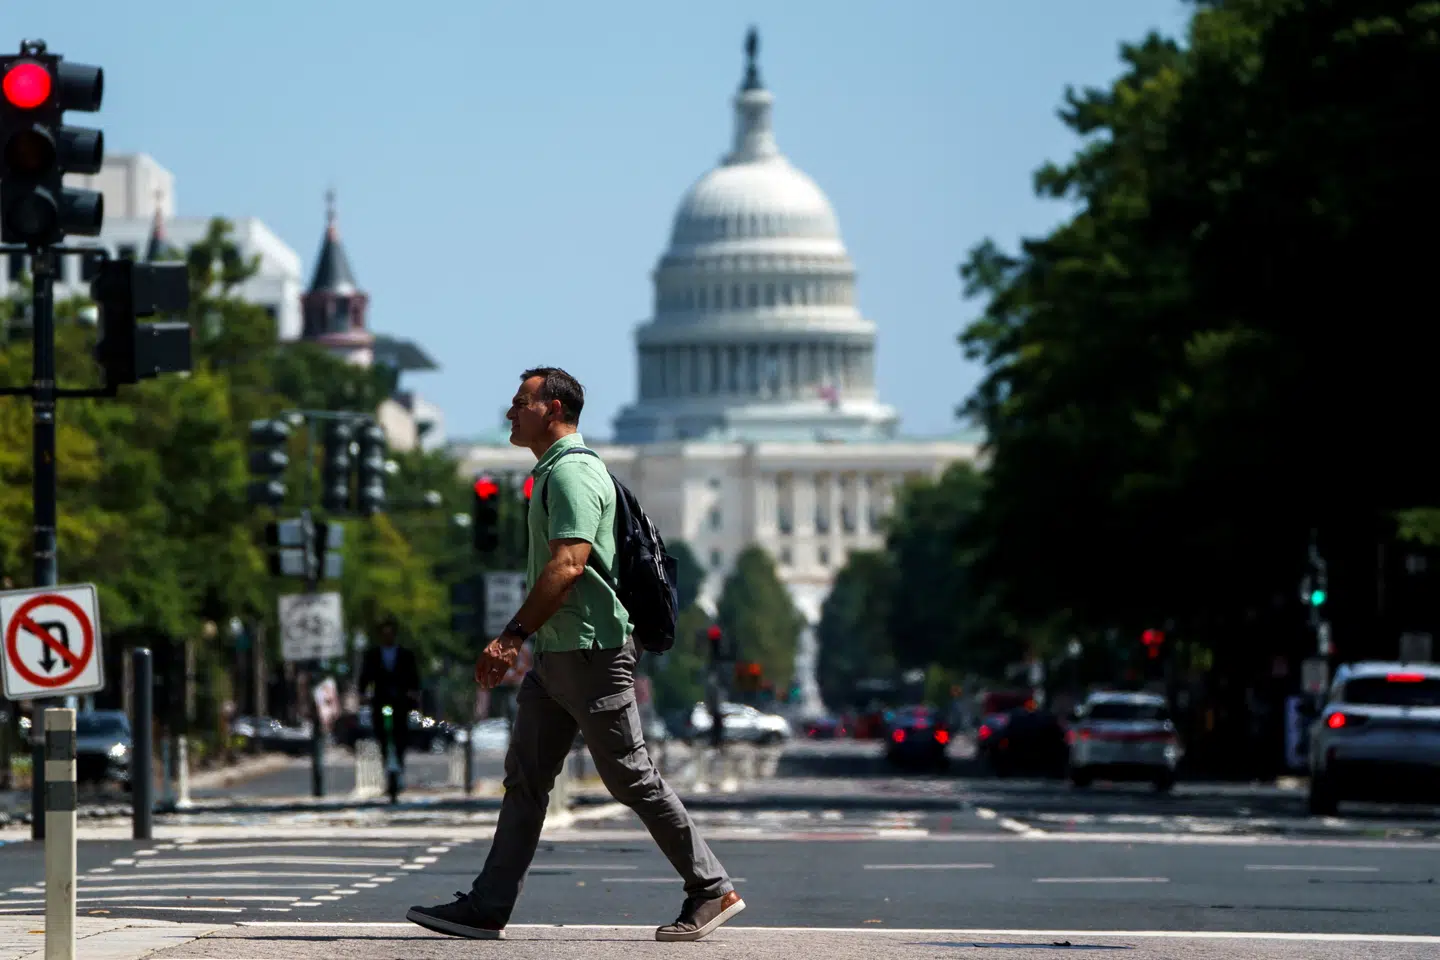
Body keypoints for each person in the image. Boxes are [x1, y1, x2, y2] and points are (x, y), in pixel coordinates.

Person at [408, 367, 744, 943]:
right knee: (526, 780)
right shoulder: (551, 474)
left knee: (632, 778)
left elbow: (568, 564)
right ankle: (488, 906)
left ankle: (711, 887)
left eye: (521, 403)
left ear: (554, 409)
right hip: (559, 656)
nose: (510, 413)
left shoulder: (572, 474)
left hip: (591, 653)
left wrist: (510, 635)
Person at [357, 616, 421, 778]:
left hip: (400, 700)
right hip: (381, 700)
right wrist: (362, 694)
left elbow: (414, 677)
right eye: (384, 634)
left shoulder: (405, 655)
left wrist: (413, 692)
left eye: (390, 634)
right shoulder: (372, 655)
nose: (387, 637)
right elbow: (364, 677)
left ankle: (399, 763)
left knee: (400, 732)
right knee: (382, 731)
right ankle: (387, 762)